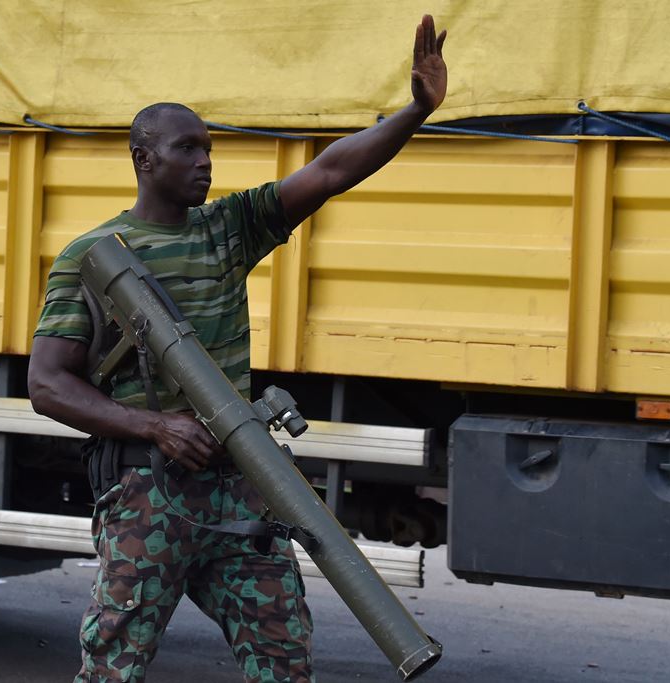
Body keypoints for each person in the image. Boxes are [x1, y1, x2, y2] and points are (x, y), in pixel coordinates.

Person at [27, 14, 448, 683]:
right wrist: (154, 425)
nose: (205, 161)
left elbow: (333, 170)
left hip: (239, 484)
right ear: (144, 160)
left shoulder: (229, 228)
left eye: (208, 149)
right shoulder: (93, 256)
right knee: (114, 665)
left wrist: (415, 113)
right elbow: (47, 383)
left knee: (284, 658)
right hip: (147, 490)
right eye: (187, 149)